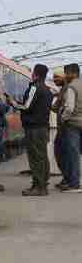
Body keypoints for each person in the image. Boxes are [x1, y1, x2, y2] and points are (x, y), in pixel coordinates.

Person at [8, 64, 54, 196]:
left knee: (35, 158)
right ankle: (43, 184)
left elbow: (27, 106)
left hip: (34, 129)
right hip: (43, 127)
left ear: (35, 74)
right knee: (42, 157)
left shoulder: (35, 87)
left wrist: (13, 103)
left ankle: (39, 187)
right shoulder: (48, 90)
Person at [59, 63, 82, 193]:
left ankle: (74, 184)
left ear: (73, 73)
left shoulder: (71, 87)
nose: (65, 76)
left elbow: (69, 108)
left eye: (66, 73)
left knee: (73, 154)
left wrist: (63, 118)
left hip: (73, 125)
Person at [52, 68, 69, 188]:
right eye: (53, 77)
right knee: (61, 154)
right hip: (62, 128)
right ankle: (66, 178)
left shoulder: (66, 90)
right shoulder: (63, 90)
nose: (54, 80)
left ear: (64, 77)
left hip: (65, 128)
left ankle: (68, 179)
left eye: (57, 77)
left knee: (62, 154)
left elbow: (56, 107)